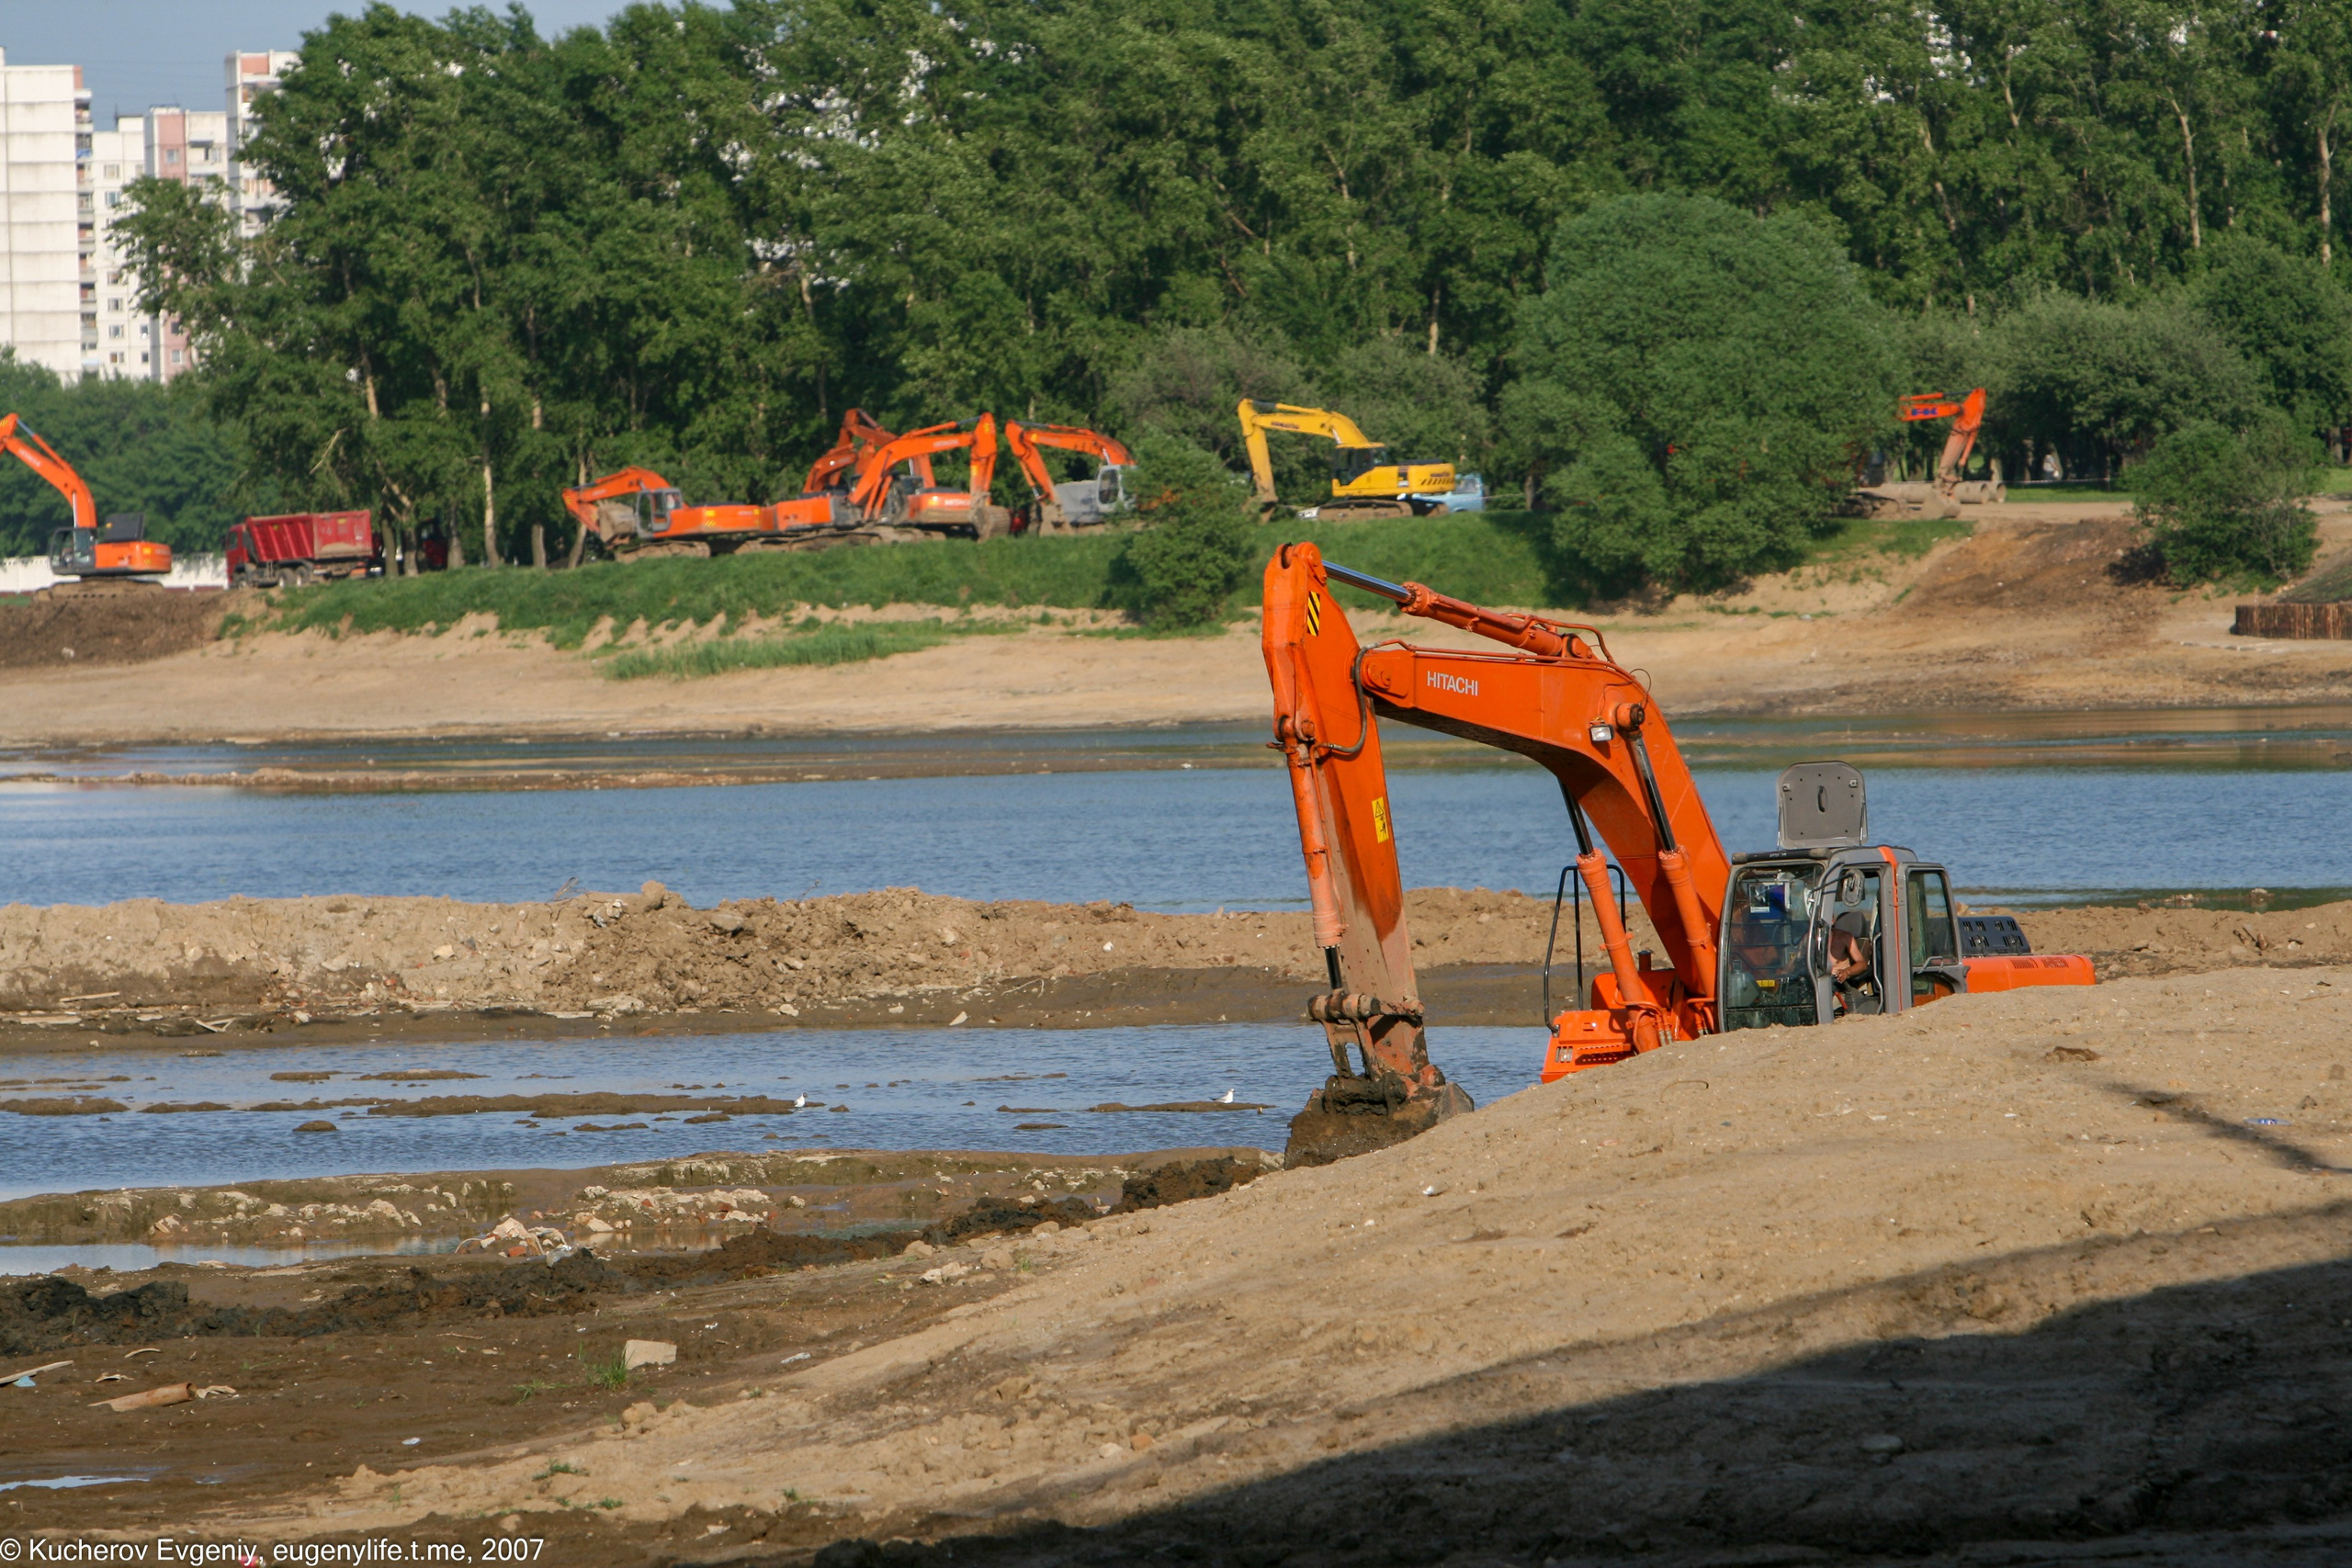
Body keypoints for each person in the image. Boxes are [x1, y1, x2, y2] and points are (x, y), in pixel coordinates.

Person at [1826, 911, 1881, 1016]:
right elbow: (1797, 962)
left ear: (1833, 920)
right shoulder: (1810, 939)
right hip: (1815, 979)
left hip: (1836, 981)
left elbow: (1862, 964)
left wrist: (1847, 972)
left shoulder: (1845, 938)